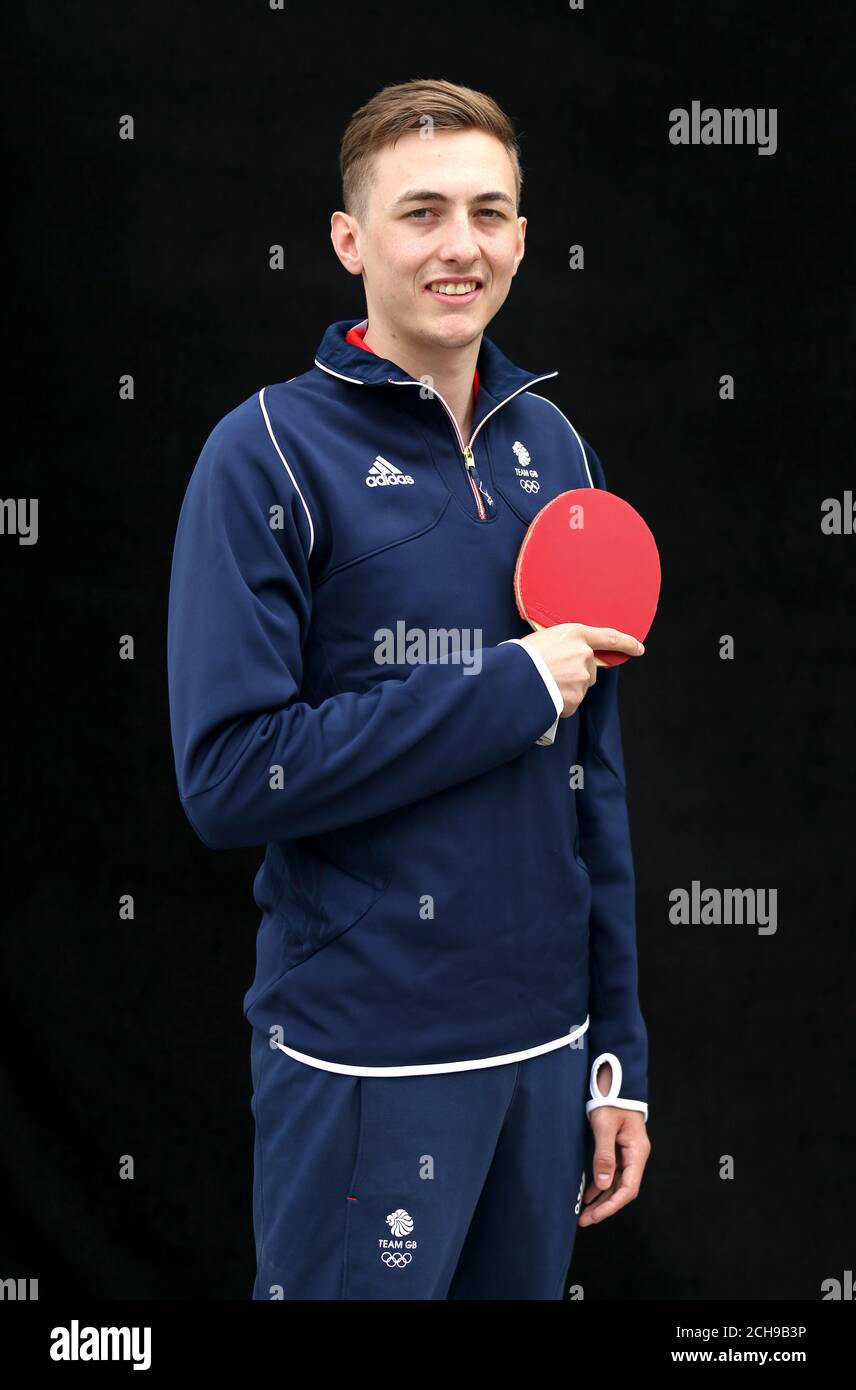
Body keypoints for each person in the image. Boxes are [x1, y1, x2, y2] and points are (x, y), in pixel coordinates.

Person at [167, 77, 651, 1301]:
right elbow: (231, 777)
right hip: (366, 1059)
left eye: (489, 213)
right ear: (349, 240)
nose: (459, 246)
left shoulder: (561, 451)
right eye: (420, 211)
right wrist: (501, 689)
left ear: (523, 238)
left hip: (546, 1058)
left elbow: (592, 777)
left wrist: (616, 1058)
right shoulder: (263, 453)